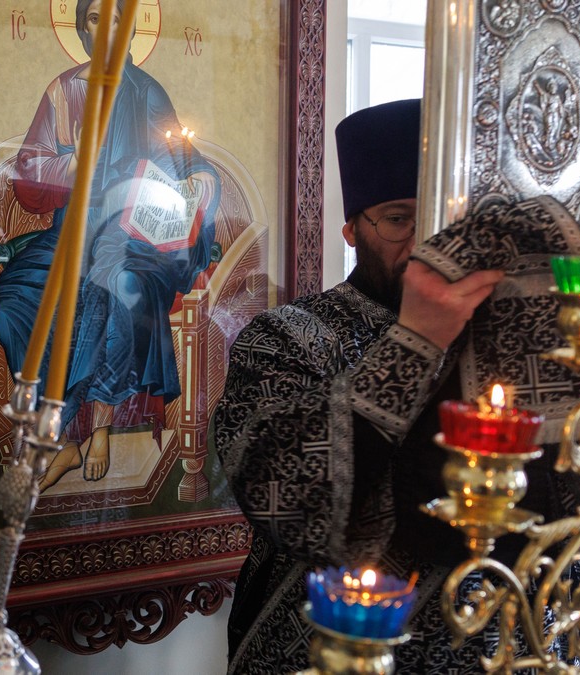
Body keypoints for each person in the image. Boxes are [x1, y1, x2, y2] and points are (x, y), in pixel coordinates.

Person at [213, 99, 546, 673]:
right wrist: (418, 338)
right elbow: (285, 499)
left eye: (445, 222)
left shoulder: (510, 339)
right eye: (398, 219)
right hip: (322, 649)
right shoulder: (283, 338)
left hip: (498, 646)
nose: (427, 244)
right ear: (351, 229)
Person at [0, 0, 221, 489]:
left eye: (118, 19)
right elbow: (28, 171)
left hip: (133, 234)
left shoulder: (147, 92)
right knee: (10, 302)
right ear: (82, 29)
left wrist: (199, 179)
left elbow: (180, 156)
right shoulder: (63, 91)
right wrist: (74, 164)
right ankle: (62, 440)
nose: (108, 30)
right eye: (96, 18)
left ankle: (99, 431)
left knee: (114, 287)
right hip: (70, 232)